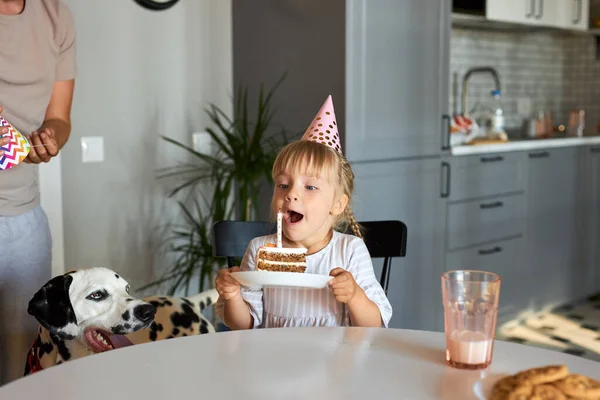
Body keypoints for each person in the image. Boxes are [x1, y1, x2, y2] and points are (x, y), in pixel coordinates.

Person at [215, 95, 392, 329]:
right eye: (283, 185)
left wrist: (354, 296)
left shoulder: (349, 251)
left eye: (310, 187)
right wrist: (233, 295)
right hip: (273, 360)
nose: (291, 194)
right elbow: (243, 326)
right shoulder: (260, 250)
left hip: (335, 361)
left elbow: (374, 326)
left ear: (337, 204)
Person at [0, 0, 76, 385]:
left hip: (24, 222)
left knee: (20, 368)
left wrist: (50, 140)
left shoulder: (55, 16)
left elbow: (59, 117)